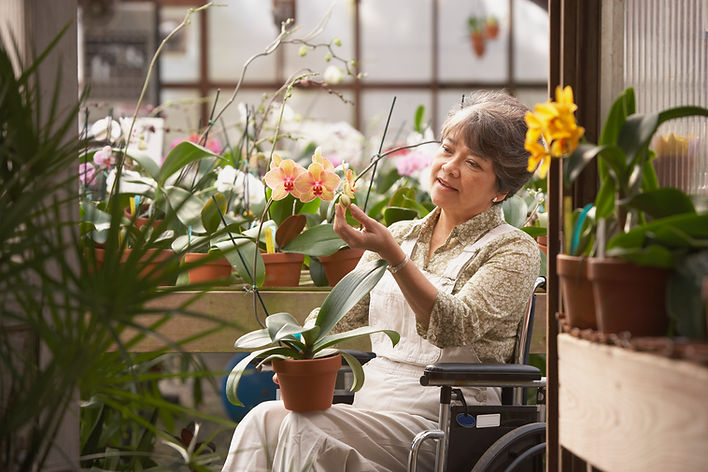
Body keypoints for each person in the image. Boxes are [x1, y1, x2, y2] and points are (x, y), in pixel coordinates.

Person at [221, 90, 540, 472]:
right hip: (372, 406)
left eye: (472, 162)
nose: (449, 167)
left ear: (502, 189)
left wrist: (395, 258)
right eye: (447, 149)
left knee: (303, 429)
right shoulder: (400, 234)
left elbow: (453, 326)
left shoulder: (513, 249)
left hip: (445, 423)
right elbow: (340, 319)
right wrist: (295, 349)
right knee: (263, 419)